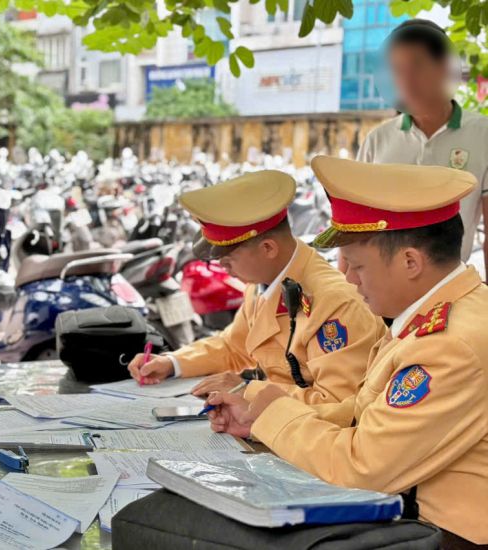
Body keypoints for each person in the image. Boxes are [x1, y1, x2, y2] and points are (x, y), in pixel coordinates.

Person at [208, 157, 488, 548]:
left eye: (357, 265)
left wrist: (273, 413)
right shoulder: (440, 313)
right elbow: (365, 414)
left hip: (445, 536)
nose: (349, 280)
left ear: (410, 261)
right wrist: (260, 413)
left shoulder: (448, 345)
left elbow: (361, 466)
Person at [128, 171, 385, 405]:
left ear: (268, 249)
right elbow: (233, 346)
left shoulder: (335, 303)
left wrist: (247, 389)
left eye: (228, 260)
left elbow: (337, 402)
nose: (225, 269)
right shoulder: (263, 283)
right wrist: (171, 363)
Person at [356, 18, 488, 276]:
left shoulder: (482, 134)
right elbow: (355, 229)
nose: (406, 79)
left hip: (450, 288)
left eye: (417, 65)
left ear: (444, 67)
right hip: (384, 291)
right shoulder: (377, 141)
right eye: (397, 69)